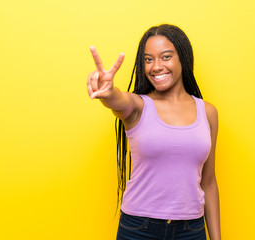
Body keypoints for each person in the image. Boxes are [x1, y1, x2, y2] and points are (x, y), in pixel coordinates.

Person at [87, 24, 221, 240]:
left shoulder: (208, 112)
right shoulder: (138, 106)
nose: (156, 66)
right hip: (139, 229)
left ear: (182, 59)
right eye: (148, 59)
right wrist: (107, 91)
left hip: (192, 231)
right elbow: (118, 100)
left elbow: (209, 182)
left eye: (165, 57)